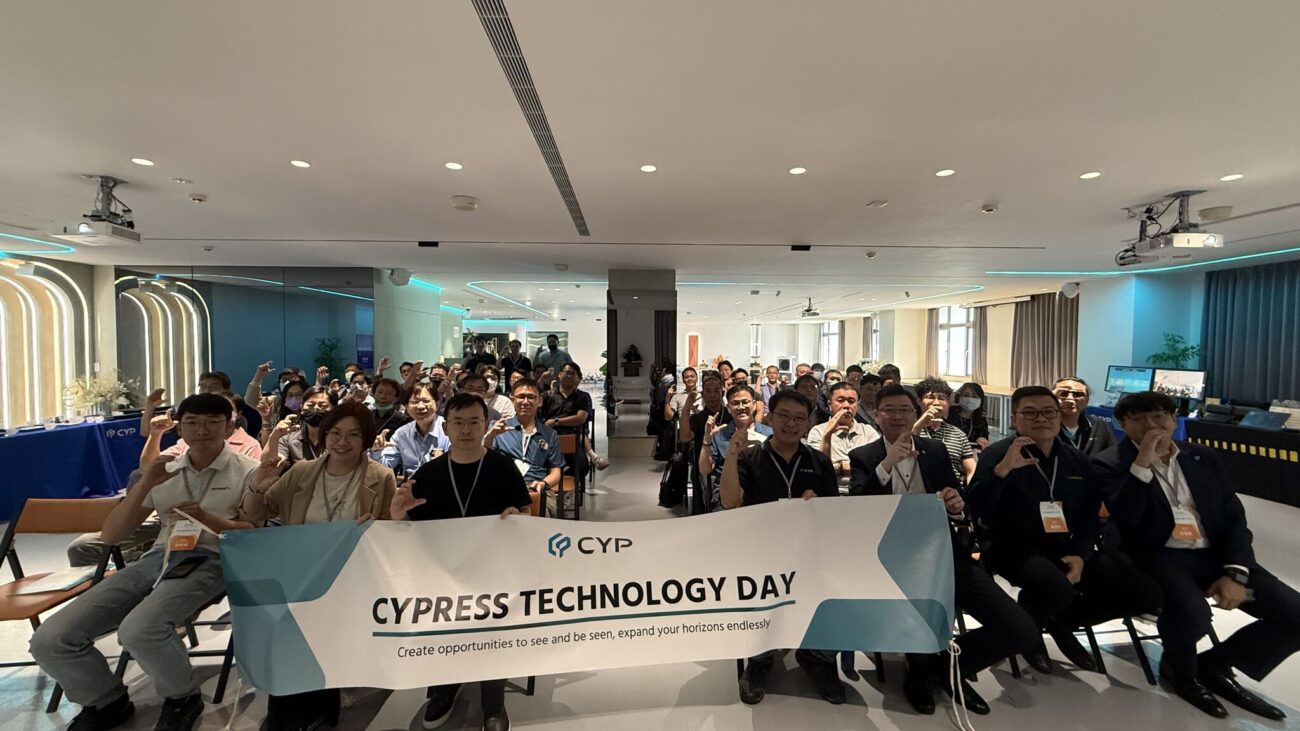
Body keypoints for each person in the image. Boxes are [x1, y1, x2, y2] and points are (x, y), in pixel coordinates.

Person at [30, 394, 266, 731]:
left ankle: (182, 697)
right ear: (179, 428)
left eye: (213, 422)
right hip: (158, 557)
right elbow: (112, 535)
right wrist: (144, 485)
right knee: (51, 638)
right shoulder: (164, 470)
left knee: (140, 630)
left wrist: (208, 519)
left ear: (229, 426)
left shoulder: (249, 470)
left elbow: (253, 536)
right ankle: (106, 700)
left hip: (214, 559)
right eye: (193, 422)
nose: (202, 430)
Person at [1093, 391, 1299, 720]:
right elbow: (1128, 518)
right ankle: (1182, 672)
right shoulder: (1108, 463)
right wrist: (1141, 463)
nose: (1150, 425)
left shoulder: (1201, 457)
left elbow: (1233, 518)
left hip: (1214, 554)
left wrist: (1234, 573)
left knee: (1294, 612)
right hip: (1156, 554)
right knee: (1192, 613)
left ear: (1173, 419)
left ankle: (1215, 665)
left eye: (1158, 416)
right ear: (1122, 424)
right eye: (1138, 419)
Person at [849, 384, 1039, 716]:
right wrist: (887, 464)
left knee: (1021, 630)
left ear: (915, 414)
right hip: (890, 560)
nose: (897, 416)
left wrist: (956, 506)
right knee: (923, 610)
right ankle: (920, 669)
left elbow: (961, 504)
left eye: (904, 410)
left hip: (944, 554)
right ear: (876, 415)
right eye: (889, 410)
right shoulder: (863, 456)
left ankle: (950, 665)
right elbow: (856, 512)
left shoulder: (934, 451)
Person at [968, 386, 1162, 675]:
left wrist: (1081, 554)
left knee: (1144, 592)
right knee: (1056, 587)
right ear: (1014, 418)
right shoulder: (999, 454)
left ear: (1058, 417)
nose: (1041, 419)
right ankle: (1031, 632)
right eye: (1030, 413)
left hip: (1064, 546)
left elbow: (1089, 516)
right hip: (1010, 547)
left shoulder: (1075, 459)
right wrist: (1001, 472)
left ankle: (1060, 622)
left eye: (1049, 412)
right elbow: (978, 509)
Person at [239, 401, 396, 730]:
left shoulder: (381, 477)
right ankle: (288, 716)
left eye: (353, 435)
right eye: (335, 433)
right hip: (298, 574)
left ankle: (319, 711)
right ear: (323, 435)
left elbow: (389, 535)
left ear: (366, 439)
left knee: (323, 645)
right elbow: (256, 513)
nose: (342, 442)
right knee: (288, 641)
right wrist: (257, 484)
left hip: (350, 578)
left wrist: (377, 529)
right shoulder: (301, 472)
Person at [390, 393, 531, 731]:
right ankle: (444, 689)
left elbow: (525, 512)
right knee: (441, 632)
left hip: (494, 571)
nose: (466, 430)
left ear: (485, 425)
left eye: (474, 422)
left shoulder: (503, 467)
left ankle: (493, 704)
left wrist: (518, 517)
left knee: (493, 634)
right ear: (446, 427)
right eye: (458, 423)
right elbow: (409, 532)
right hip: (441, 571)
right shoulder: (429, 473)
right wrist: (397, 516)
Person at [719, 390, 843, 705]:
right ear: (770, 418)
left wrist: (817, 505)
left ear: (808, 423)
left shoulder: (818, 461)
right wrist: (731, 455)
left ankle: (816, 656)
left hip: (809, 551)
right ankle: (760, 660)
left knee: (837, 591)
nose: (791, 424)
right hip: (760, 552)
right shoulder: (749, 457)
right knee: (758, 598)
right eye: (784, 416)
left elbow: (834, 516)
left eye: (799, 418)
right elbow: (730, 502)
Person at [485, 378, 565, 516]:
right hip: (504, 485)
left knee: (542, 510)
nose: (526, 402)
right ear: (513, 399)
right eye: (521, 397)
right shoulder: (499, 427)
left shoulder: (549, 434)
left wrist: (544, 484)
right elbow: (485, 461)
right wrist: (489, 437)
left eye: (531, 397)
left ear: (539, 401)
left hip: (536, 486)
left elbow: (555, 471)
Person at [700, 384, 771, 511]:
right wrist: (707, 440)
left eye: (745, 402)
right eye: (735, 403)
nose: (741, 407)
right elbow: (705, 470)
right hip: (726, 495)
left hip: (762, 492)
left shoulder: (769, 434)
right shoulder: (719, 434)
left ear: (754, 405)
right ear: (728, 408)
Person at [805, 381, 880, 492]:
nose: (846, 406)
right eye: (840, 401)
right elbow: (820, 470)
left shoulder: (868, 431)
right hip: (832, 492)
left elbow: (876, 467)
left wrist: (838, 467)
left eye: (851, 401)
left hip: (863, 492)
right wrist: (827, 436)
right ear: (829, 405)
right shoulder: (818, 431)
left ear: (857, 405)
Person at [374, 382, 450, 477]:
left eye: (426, 401)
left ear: (437, 404)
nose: (420, 406)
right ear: (406, 407)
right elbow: (386, 466)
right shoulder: (402, 433)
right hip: (411, 484)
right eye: (415, 402)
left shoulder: (449, 429)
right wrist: (376, 451)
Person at [541, 362, 607, 472]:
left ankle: (567, 477)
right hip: (552, 438)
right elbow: (536, 403)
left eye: (573, 374)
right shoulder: (548, 395)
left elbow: (580, 418)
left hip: (574, 437)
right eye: (567, 373)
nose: (569, 376)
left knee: (582, 467)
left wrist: (555, 421)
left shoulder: (582, 397)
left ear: (577, 377)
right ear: (560, 374)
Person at [913, 377, 977, 485]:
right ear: (919, 401)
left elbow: (971, 470)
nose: (936, 403)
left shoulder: (959, 435)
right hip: (919, 489)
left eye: (942, 398)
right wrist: (920, 424)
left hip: (951, 490)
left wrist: (970, 491)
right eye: (930, 397)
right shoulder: (911, 429)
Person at [684, 375, 730, 514]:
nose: (712, 395)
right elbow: (685, 437)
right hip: (703, 463)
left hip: (725, 466)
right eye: (708, 391)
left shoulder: (730, 416)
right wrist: (686, 407)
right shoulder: (698, 418)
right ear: (703, 394)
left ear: (722, 393)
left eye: (716, 391)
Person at [269, 385, 335, 469]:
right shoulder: (288, 440)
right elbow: (276, 462)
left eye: (323, 406)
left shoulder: (341, 440)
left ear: (334, 409)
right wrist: (275, 436)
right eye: (310, 405)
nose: (316, 408)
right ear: (302, 408)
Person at [1053, 377, 1117, 456]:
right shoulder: (1044, 426)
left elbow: (1113, 455)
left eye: (1077, 394)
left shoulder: (1099, 425)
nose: (1070, 399)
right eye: (1063, 393)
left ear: (1087, 400)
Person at [946, 382, 991, 450]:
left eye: (974, 396)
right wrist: (948, 404)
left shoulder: (981, 419)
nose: (970, 399)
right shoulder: (949, 415)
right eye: (966, 395)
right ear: (959, 397)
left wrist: (982, 440)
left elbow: (984, 437)